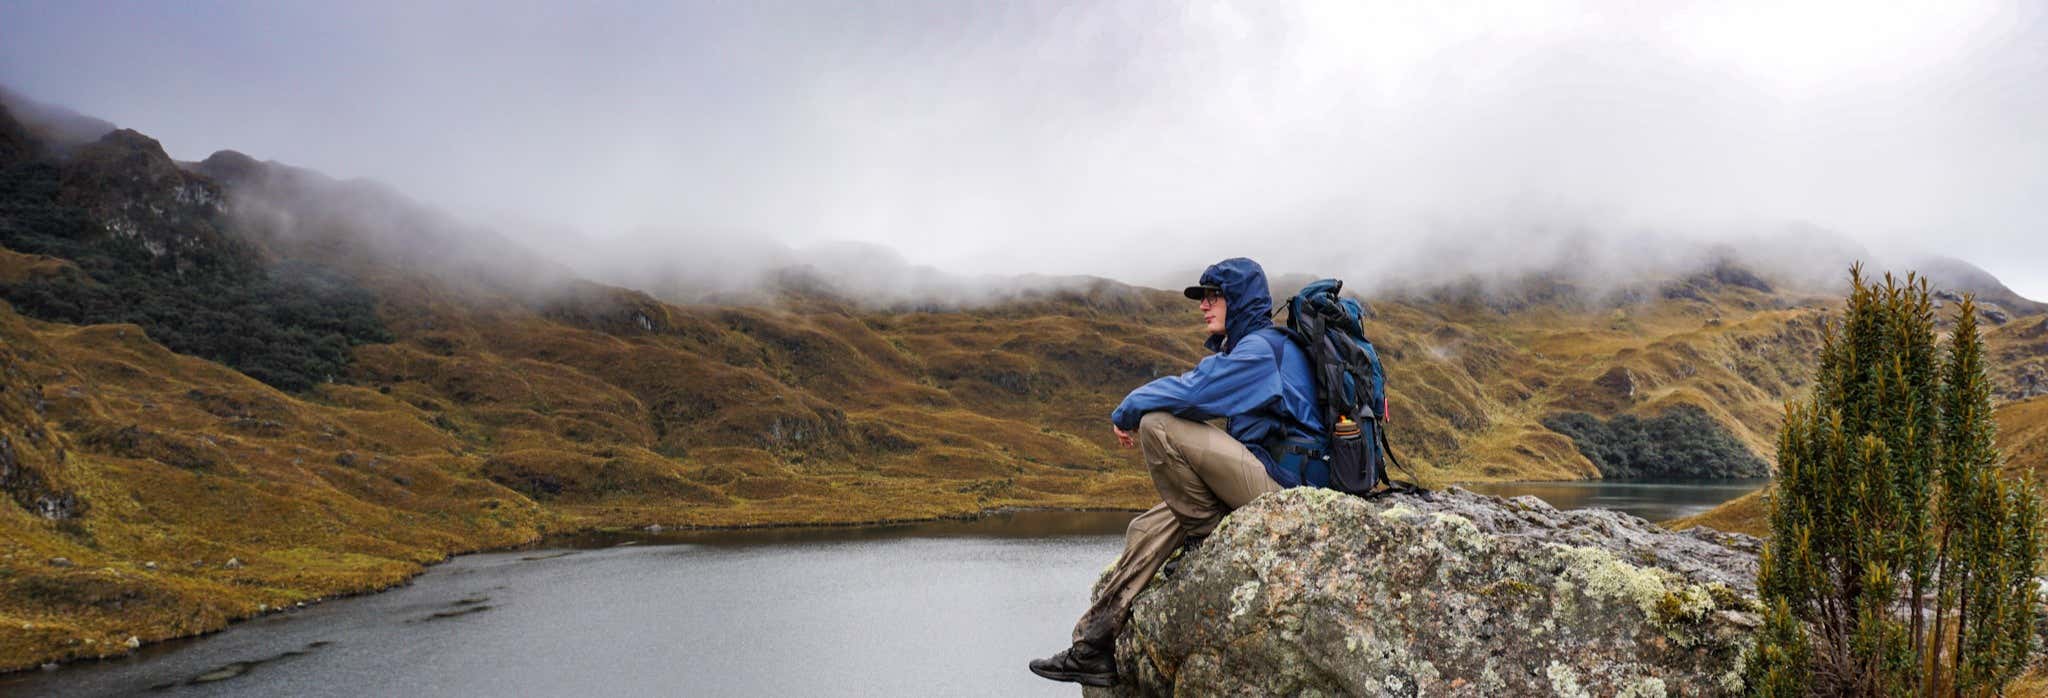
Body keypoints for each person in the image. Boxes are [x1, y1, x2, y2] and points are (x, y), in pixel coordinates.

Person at [1028, 257, 1327, 687]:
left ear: (1240, 300)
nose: (1204, 306)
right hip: (1272, 476)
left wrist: (1129, 407)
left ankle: (1207, 535)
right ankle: (1092, 647)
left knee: (1158, 425)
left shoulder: (1262, 351)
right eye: (1202, 297)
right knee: (1145, 530)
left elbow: (1195, 392)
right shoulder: (1253, 348)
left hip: (1291, 493)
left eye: (1213, 296)